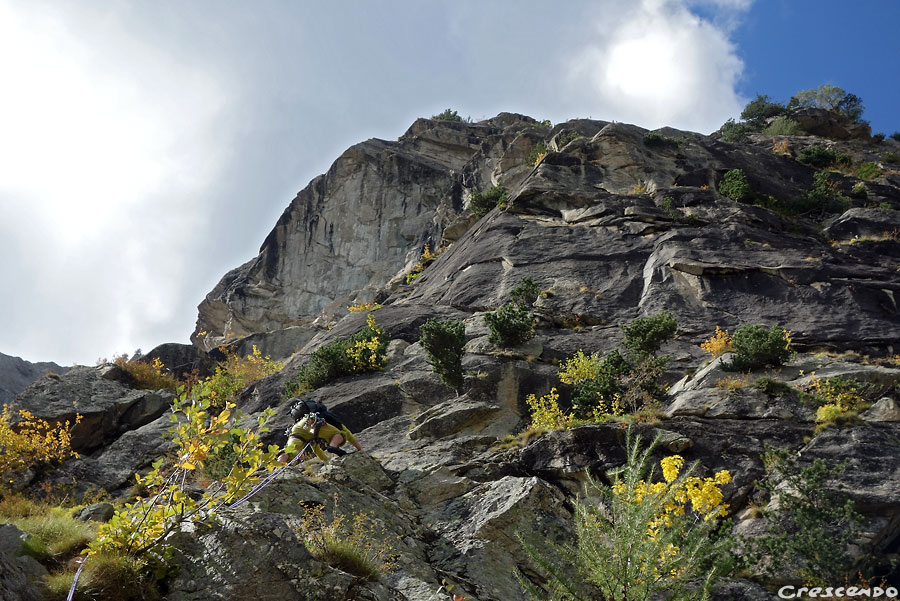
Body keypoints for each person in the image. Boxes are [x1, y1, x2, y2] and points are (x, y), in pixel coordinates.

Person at [278, 400, 362, 463]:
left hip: (296, 430)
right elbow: (347, 433)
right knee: (341, 435)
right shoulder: (325, 415)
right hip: (311, 422)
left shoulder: (301, 428)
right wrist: (360, 450)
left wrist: (327, 461)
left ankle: (277, 466)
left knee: (289, 452)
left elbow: (316, 449)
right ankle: (333, 446)